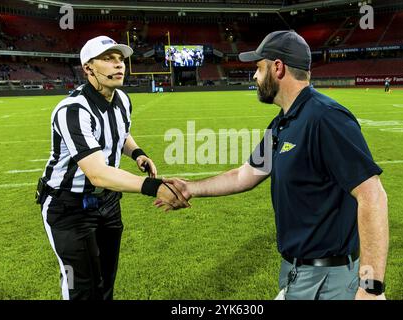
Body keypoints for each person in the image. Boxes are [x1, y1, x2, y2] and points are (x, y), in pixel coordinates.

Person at [158, 31, 389, 300]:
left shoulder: (326, 118)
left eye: (258, 68)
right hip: (298, 272)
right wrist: (190, 189)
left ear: (277, 68)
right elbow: (245, 175)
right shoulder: (283, 122)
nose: (254, 76)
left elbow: (373, 195)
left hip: (330, 281)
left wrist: (371, 288)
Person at [36, 35, 189, 300]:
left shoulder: (121, 99)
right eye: (108, 59)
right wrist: (153, 187)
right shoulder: (73, 110)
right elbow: (96, 172)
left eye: (120, 59)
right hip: (68, 208)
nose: (119, 65)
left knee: (106, 281)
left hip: (107, 203)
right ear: (88, 68)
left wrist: (137, 153)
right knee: (80, 288)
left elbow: (122, 133)